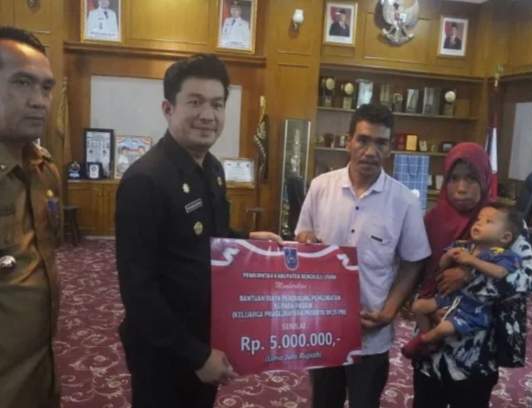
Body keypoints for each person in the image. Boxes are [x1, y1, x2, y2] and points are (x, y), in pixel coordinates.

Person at [115, 54, 281, 408]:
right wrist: (195, 355)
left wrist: (247, 240)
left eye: (217, 104)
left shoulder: (213, 169)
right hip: (163, 348)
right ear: (168, 108)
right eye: (195, 102)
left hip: (207, 334)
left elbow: (209, 238)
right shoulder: (145, 180)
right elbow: (138, 290)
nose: (208, 115)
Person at [295, 103, 431, 408]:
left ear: (390, 149)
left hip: (371, 332)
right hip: (324, 327)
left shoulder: (405, 202)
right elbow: (302, 238)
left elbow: (413, 261)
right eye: (363, 140)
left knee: (365, 402)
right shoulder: (320, 187)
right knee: (324, 402)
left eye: (380, 143)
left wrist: (390, 311)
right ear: (349, 141)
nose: (370, 151)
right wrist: (306, 241)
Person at [412, 143, 532, 408]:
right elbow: (416, 274)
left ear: (485, 180)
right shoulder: (431, 220)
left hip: (477, 350)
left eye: (471, 178)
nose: (461, 188)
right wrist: (430, 308)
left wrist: (471, 276)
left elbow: (530, 281)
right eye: (454, 178)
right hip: (431, 348)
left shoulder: (503, 221)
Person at [0, 26, 60, 408]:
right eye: (23, 83)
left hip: (39, 373)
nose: (39, 101)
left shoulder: (44, 171)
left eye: (46, 87)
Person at [402, 204, 522, 358]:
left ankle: (424, 341)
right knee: (418, 306)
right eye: (478, 219)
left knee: (444, 328)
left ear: (505, 237)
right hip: (451, 297)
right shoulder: (464, 245)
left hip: (472, 307)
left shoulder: (504, 255)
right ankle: (427, 338)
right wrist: (448, 256)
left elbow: (500, 272)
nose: (479, 223)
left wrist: (472, 261)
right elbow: (441, 266)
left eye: (488, 221)